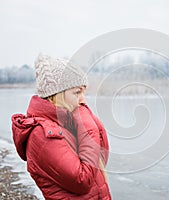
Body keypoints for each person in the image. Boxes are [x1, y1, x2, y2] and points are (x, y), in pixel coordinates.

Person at [11, 54, 111, 199]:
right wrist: (87, 123)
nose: (83, 99)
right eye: (77, 92)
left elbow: (101, 157)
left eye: (83, 92)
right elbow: (83, 180)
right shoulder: (42, 135)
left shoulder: (68, 122)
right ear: (56, 94)